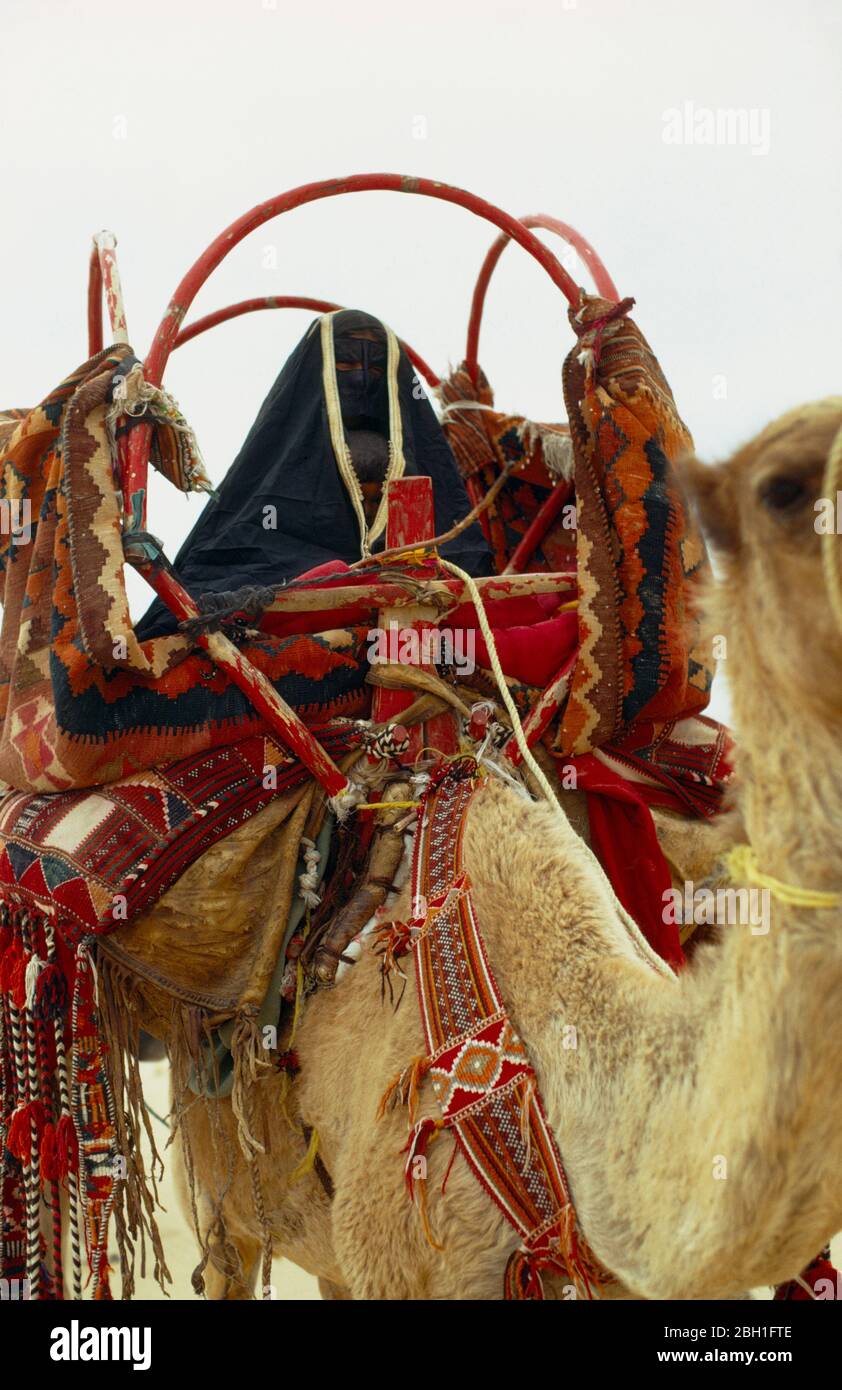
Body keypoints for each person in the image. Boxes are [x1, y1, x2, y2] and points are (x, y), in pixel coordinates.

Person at [137, 309, 492, 639]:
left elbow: (466, 558)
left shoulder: (419, 456)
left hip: (418, 616)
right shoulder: (282, 465)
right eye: (346, 363)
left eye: (377, 370)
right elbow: (237, 555)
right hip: (302, 604)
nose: (362, 380)